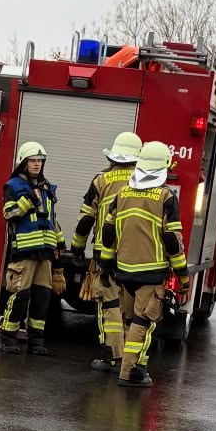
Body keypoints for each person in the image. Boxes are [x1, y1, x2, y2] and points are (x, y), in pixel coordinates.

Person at [97, 140, 188, 389]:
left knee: (129, 321)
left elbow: (108, 232)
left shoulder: (123, 193)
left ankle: (132, 365)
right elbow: (172, 241)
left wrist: (105, 266)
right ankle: (131, 372)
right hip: (151, 273)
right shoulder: (166, 197)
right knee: (143, 322)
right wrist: (183, 276)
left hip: (124, 271)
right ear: (164, 167)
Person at [71, 130, 142, 372]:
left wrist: (78, 250)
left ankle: (112, 356)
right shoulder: (146, 183)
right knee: (132, 309)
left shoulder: (101, 181)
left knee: (109, 305)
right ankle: (133, 360)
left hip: (105, 255)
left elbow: (85, 220)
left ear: (113, 157)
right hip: (137, 258)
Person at [0, 141, 61, 357]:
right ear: (23, 162)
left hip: (45, 252)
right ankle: (8, 339)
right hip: (24, 252)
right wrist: (28, 200)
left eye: (40, 161)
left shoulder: (46, 187)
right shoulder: (13, 186)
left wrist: (59, 243)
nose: (37, 164)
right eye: (33, 160)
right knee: (19, 297)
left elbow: (52, 219)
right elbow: (8, 213)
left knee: (42, 298)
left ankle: (36, 342)